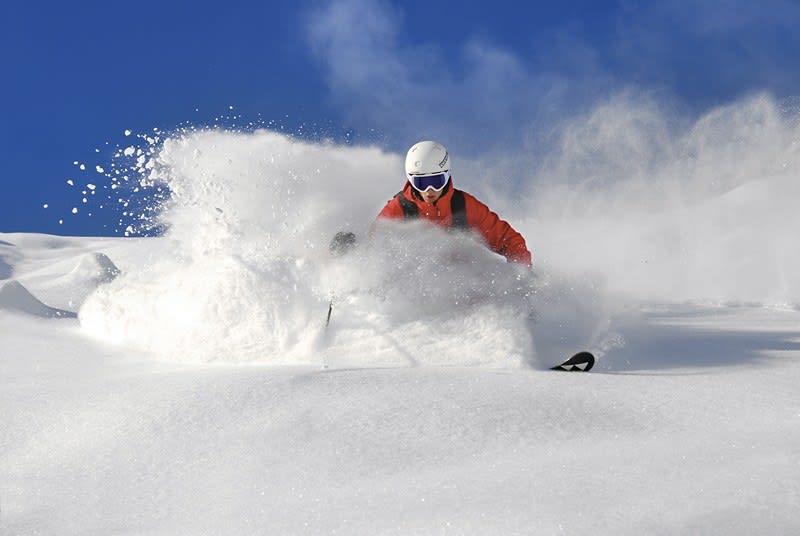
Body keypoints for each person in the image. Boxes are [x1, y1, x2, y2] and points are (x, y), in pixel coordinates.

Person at [375, 140, 532, 266]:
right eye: (421, 183)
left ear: (447, 175)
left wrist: (522, 272)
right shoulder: (400, 208)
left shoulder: (463, 205)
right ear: (410, 180)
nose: (430, 190)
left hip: (461, 287)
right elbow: (374, 248)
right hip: (417, 290)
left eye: (437, 181)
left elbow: (507, 239)